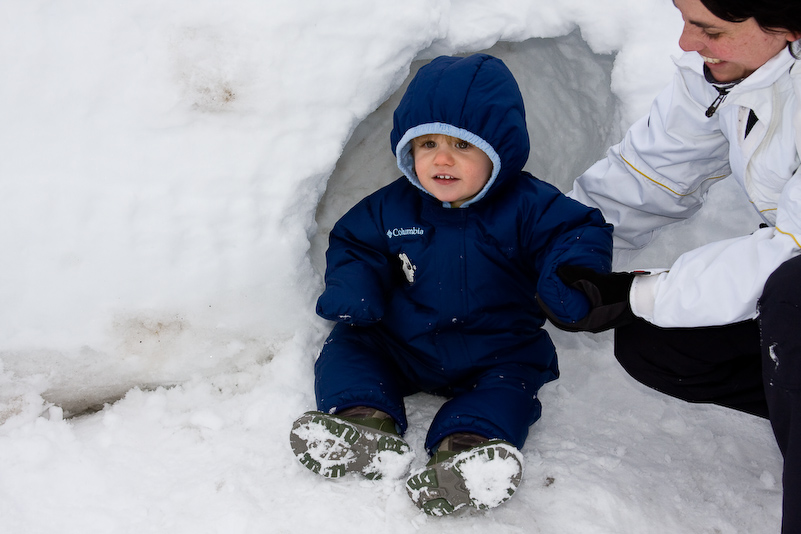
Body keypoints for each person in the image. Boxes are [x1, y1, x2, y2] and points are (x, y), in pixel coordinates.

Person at [289, 53, 613, 516]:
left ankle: (466, 448)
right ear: (407, 151)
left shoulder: (530, 205)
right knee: (349, 348)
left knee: (512, 388)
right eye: (427, 145)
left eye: (462, 146)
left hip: (497, 348)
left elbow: (578, 233)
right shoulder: (390, 208)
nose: (441, 159)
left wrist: (570, 276)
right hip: (404, 340)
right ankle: (363, 419)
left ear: (498, 150)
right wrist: (354, 289)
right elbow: (355, 244)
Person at [536, 0, 801, 531]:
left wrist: (634, 294)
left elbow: (790, 246)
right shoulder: (728, 71)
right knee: (659, 344)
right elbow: (653, 172)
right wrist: (560, 249)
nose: (685, 42)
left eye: (709, 29)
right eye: (683, 18)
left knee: (793, 297)